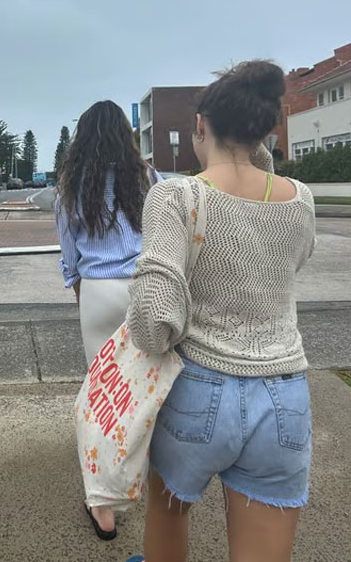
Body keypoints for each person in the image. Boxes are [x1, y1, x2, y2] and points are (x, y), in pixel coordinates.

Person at [127, 61, 316, 562]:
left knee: (168, 517)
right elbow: (290, 259)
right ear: (263, 130)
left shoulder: (177, 195)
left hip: (197, 387)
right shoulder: (301, 200)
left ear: (200, 125)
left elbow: (152, 320)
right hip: (284, 395)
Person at [55, 99, 161, 541]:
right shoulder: (149, 178)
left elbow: (69, 255)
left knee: (104, 396)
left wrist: (83, 296)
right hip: (144, 286)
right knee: (149, 390)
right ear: (125, 135)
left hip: (98, 290)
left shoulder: (72, 185)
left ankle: (103, 506)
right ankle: (152, 483)